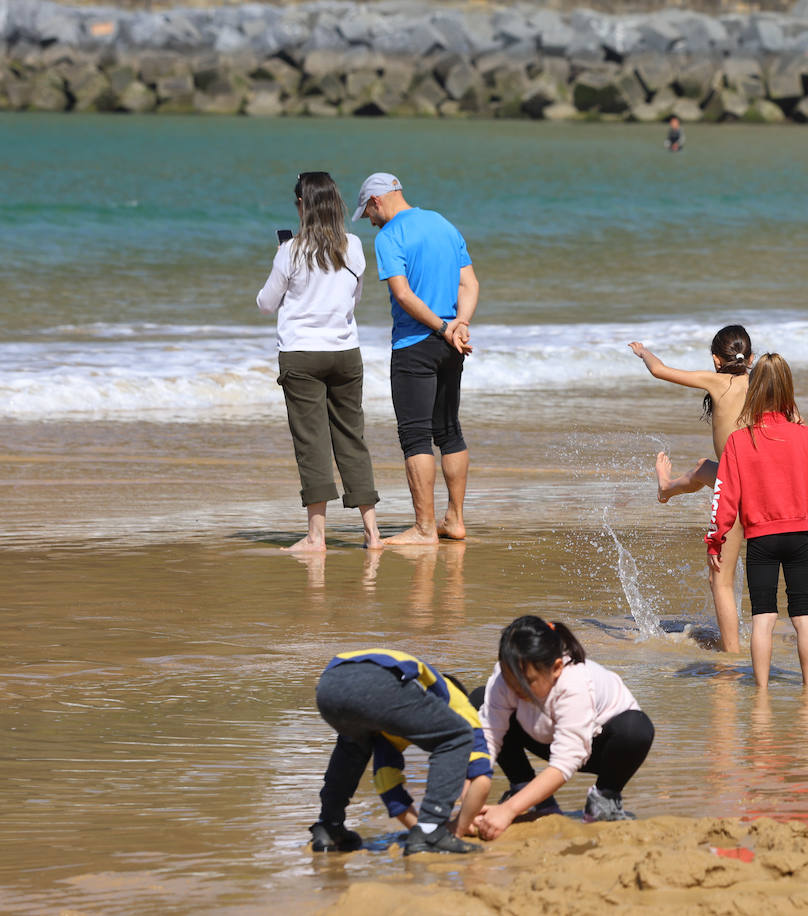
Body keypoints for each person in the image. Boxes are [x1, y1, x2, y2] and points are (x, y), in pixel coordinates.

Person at [704, 354, 808, 689]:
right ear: (788, 389)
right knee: (804, 616)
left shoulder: (739, 441)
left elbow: (725, 497)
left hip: (761, 539)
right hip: (800, 536)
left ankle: (760, 692)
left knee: (763, 619)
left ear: (753, 390)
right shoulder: (806, 437)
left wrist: (716, 538)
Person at [256, 171, 381, 552]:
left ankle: (316, 536)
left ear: (302, 206)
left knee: (312, 444)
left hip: (301, 354)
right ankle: (373, 533)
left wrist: (281, 258)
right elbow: (354, 298)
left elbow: (265, 304)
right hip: (345, 353)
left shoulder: (290, 251)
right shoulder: (355, 246)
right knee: (352, 439)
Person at [353, 172, 479, 545]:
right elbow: (470, 284)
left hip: (415, 343)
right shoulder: (442, 223)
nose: (370, 222)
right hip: (452, 344)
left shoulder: (390, 236)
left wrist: (441, 328)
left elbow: (404, 296)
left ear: (377, 201)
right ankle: (454, 519)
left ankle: (425, 529)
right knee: (450, 430)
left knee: (415, 436)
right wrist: (460, 324)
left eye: (368, 214)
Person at [471, 615, 655, 840]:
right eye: (511, 681)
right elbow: (487, 738)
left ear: (557, 668)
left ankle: (604, 799)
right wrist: (468, 805)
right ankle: (525, 788)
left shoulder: (574, 683)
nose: (516, 690)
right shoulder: (505, 676)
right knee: (480, 699)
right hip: (546, 735)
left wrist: (508, 810)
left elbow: (565, 761)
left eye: (527, 682)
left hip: (599, 747)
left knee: (636, 729)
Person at [629, 326, 753, 653]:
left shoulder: (717, 380)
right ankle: (667, 488)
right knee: (702, 468)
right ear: (750, 357)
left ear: (716, 359)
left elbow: (659, 370)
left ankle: (732, 654)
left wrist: (643, 352)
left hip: (734, 487)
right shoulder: (762, 384)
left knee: (720, 581)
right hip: (760, 482)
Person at [311, 648, 489, 855]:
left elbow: (387, 784)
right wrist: (454, 829)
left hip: (329, 686)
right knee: (457, 736)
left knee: (353, 748)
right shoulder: (460, 705)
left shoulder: (392, 723)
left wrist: (416, 829)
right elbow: (482, 776)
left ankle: (329, 825)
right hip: (381, 683)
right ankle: (433, 831)